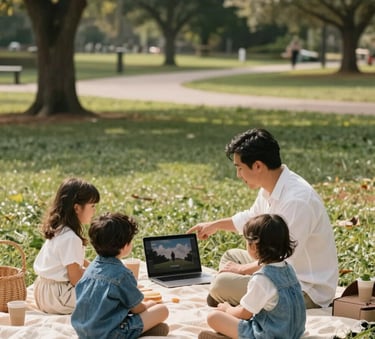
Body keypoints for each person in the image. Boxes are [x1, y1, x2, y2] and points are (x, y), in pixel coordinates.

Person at [187, 128, 338, 309]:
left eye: (239, 168)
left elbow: (282, 257)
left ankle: (234, 295)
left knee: (222, 285)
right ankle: (243, 293)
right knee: (231, 256)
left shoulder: (297, 201)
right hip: (278, 271)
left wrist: (241, 270)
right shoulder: (270, 186)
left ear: (258, 166)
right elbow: (252, 218)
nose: (238, 175)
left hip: (303, 289)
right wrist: (215, 225)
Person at [199, 214, 306, 339]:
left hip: (269, 335)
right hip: (295, 333)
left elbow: (244, 314)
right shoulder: (289, 269)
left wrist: (227, 308)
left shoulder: (262, 278)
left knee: (213, 317)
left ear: (253, 246)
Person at [71, 212, 169, 338]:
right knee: (162, 310)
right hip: (111, 334)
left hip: (84, 332)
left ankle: (143, 331)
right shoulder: (122, 275)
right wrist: (149, 304)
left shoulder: (90, 269)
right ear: (125, 246)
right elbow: (137, 308)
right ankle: (135, 333)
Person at [33, 177, 100, 314]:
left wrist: (95, 267)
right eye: (92, 206)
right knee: (105, 296)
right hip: (58, 297)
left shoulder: (60, 229)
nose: (94, 210)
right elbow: (75, 279)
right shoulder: (71, 238)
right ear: (76, 208)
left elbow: (73, 262)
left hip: (43, 292)